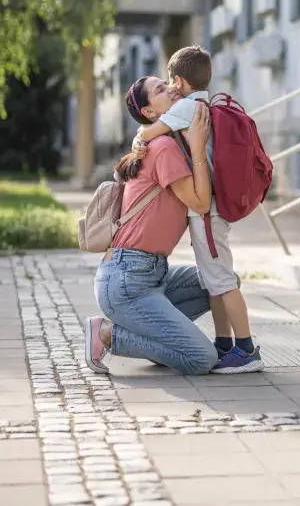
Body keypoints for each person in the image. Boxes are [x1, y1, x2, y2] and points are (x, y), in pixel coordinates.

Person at [131, 45, 263, 374]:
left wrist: (138, 137)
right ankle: (224, 344)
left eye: (168, 82)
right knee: (213, 280)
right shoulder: (203, 102)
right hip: (211, 211)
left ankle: (247, 349)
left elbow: (151, 131)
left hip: (208, 214)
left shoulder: (188, 107)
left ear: (178, 80)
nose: (168, 87)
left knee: (223, 280)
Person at [84, 75, 218, 376]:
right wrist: (198, 149)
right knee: (202, 358)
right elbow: (199, 203)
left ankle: (164, 342)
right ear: (148, 111)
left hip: (152, 273)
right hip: (127, 280)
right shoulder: (164, 148)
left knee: (219, 281)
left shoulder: (159, 140)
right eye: (160, 89)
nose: (171, 89)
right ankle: (106, 333)